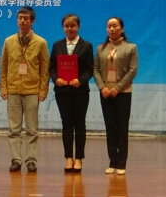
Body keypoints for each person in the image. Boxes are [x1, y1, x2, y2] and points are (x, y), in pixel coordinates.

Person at [0, 6, 49, 173]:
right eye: (20, 18)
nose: (22, 21)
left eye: (26, 18)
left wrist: (43, 91)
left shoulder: (41, 42)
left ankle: (31, 160)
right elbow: (4, 66)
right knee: (14, 129)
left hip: (32, 90)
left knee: (32, 129)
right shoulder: (9, 41)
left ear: (32, 21)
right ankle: (16, 160)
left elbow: (45, 69)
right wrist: (3, 87)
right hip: (13, 89)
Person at [49, 13, 94, 173]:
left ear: (78, 27)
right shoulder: (57, 45)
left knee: (80, 124)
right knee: (66, 124)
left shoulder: (86, 45)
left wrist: (80, 80)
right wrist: (56, 79)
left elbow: (90, 69)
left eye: (72, 26)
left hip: (80, 91)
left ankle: (79, 158)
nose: (69, 29)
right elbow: (52, 68)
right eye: (66, 26)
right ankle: (68, 157)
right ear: (63, 28)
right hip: (62, 91)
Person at [94, 16, 138, 175]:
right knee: (110, 127)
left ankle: (121, 163)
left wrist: (118, 88)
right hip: (106, 93)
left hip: (123, 93)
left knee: (122, 128)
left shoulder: (130, 47)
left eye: (115, 26)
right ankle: (112, 161)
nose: (111, 29)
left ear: (122, 28)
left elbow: (132, 70)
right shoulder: (101, 48)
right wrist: (102, 87)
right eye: (109, 26)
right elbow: (96, 70)